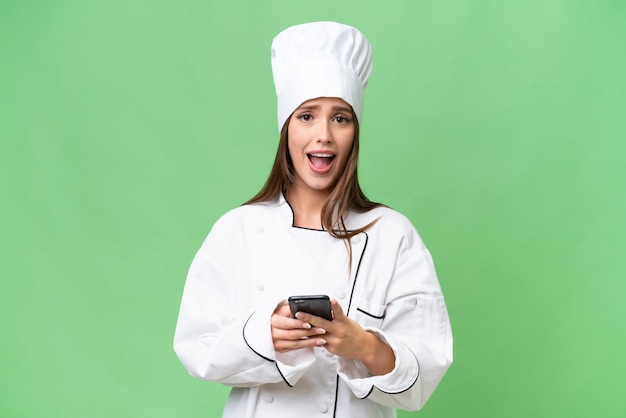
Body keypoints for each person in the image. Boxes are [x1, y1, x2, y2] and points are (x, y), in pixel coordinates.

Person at [173, 21, 453, 418]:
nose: (323, 134)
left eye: (340, 118)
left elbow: (425, 373)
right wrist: (263, 336)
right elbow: (196, 348)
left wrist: (364, 346)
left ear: (355, 132)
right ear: (286, 127)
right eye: (306, 116)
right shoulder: (237, 230)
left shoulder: (392, 235)